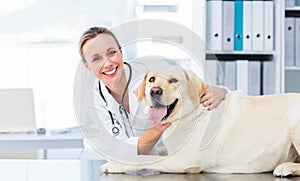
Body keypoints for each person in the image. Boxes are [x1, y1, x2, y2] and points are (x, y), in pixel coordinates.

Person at [78, 27, 228, 157]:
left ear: (121, 52)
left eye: (111, 53)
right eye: (96, 59)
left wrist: (221, 91)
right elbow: (117, 150)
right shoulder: (93, 100)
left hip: (176, 160)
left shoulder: (152, 71)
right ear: (87, 66)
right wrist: (157, 128)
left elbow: (195, 91)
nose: (108, 63)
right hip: (130, 170)